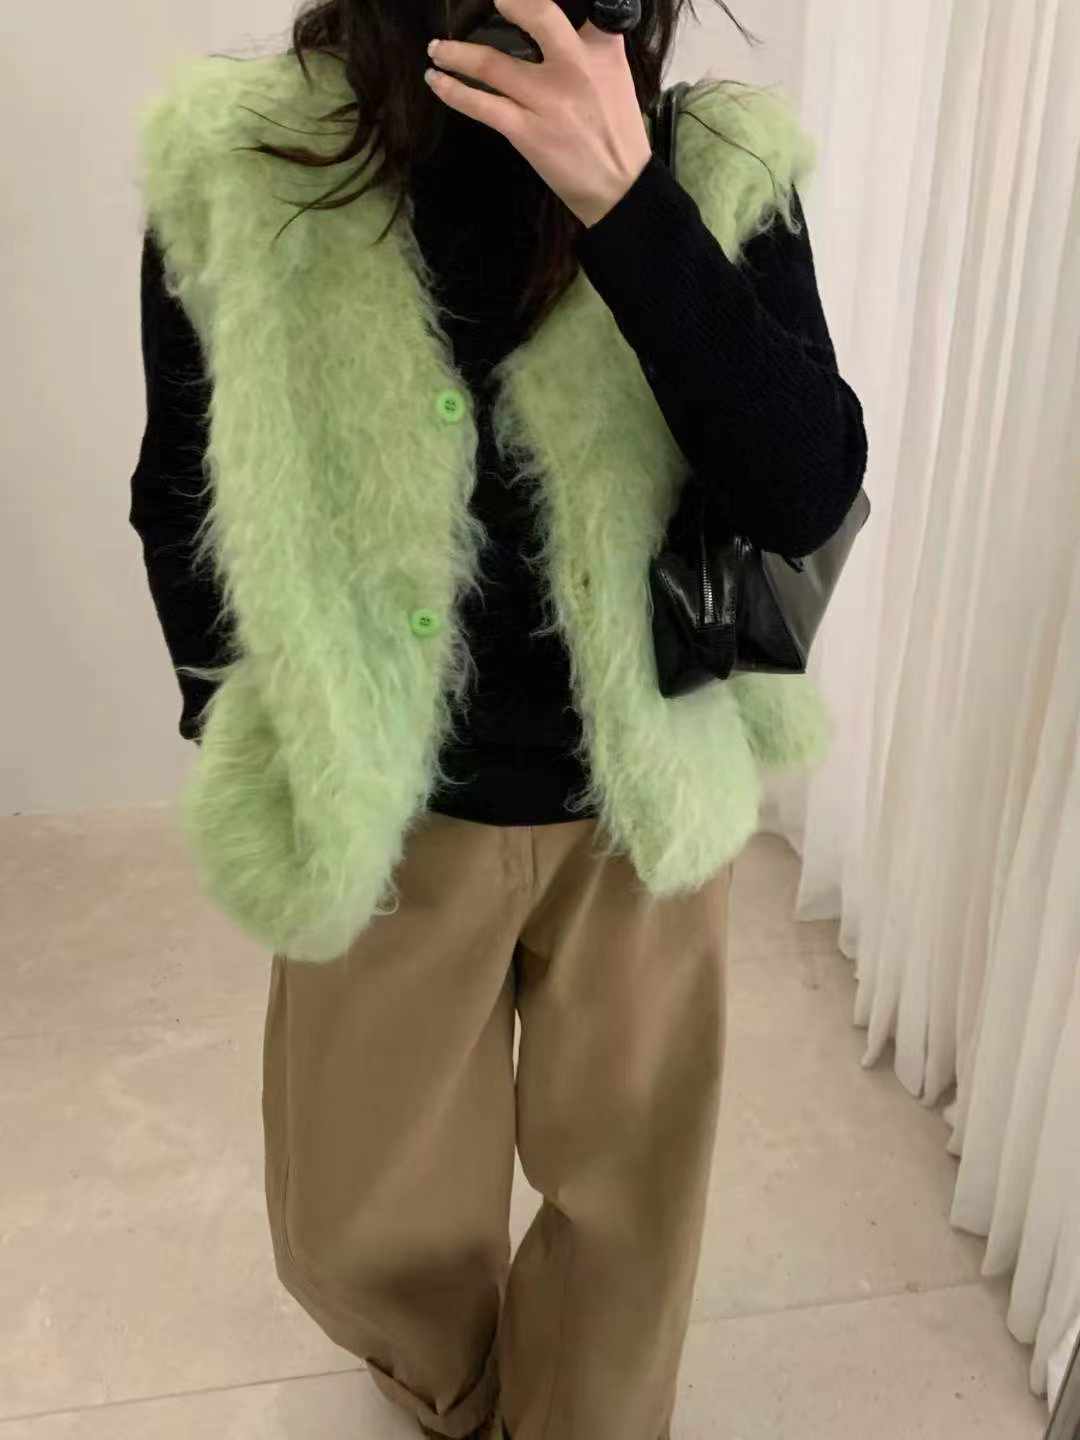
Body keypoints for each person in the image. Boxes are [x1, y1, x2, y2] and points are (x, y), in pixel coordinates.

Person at [129, 0, 867, 1435]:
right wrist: (249, 729)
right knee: (347, 1222)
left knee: (629, 1212)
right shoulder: (242, 156)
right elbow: (183, 486)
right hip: (386, 813)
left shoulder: (713, 159)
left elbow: (806, 491)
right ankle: (461, 1392)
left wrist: (630, 206)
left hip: (641, 802)